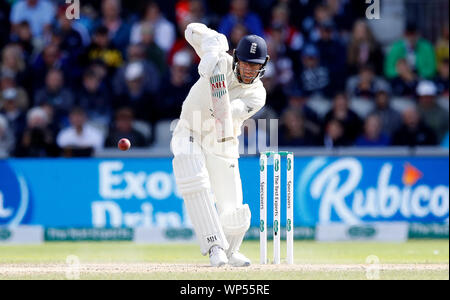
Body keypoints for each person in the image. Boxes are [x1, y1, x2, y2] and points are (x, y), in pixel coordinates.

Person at [171, 23, 269, 267]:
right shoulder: (221, 61)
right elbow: (191, 30)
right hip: (190, 130)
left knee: (233, 208)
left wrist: (215, 81)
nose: (248, 70)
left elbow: (227, 113)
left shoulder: (257, 94)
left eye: (255, 65)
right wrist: (213, 46)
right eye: (245, 63)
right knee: (192, 176)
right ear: (236, 58)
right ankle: (214, 246)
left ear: (263, 66)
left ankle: (231, 250)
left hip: (222, 141)